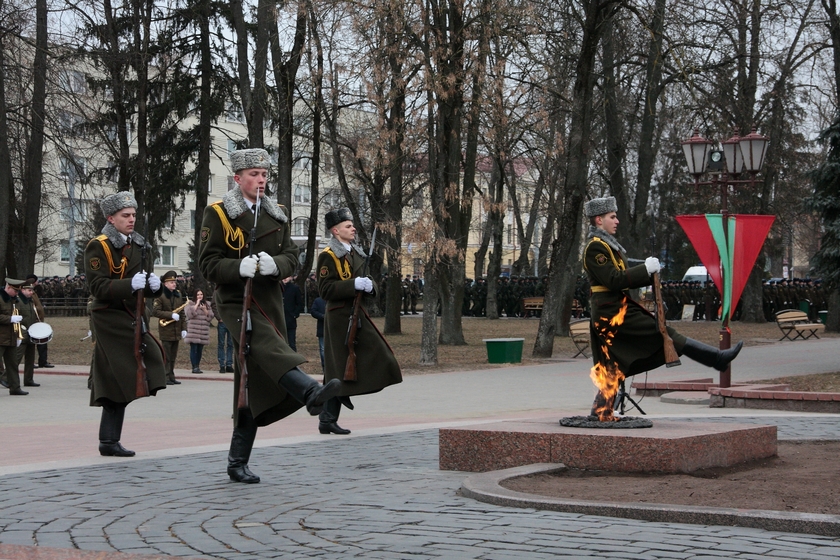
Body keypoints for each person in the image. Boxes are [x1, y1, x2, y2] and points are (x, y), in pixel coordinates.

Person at [198, 148, 341, 484]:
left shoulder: (277, 214)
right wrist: (238, 267)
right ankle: (308, 391)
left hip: (268, 301)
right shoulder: (218, 214)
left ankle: (237, 462)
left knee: (253, 380)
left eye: (264, 174)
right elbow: (207, 264)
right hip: (235, 300)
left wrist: (278, 265)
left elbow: (292, 255)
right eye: (253, 174)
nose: (260, 180)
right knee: (263, 346)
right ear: (238, 178)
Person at [583, 196, 742, 416]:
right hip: (611, 314)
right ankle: (717, 358)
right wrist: (645, 271)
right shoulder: (595, 248)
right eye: (612, 216)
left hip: (615, 310)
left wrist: (648, 272)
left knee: (612, 366)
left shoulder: (609, 247)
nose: (617, 220)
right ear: (599, 220)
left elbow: (621, 277)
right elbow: (613, 280)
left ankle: (600, 411)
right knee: (664, 334)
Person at [85, 191, 167, 456]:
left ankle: (108, 441)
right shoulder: (99, 245)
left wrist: (155, 287)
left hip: (133, 313)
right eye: (125, 215)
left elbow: (144, 280)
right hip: (109, 315)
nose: (131, 220)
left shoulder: (141, 245)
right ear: (111, 218)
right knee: (138, 364)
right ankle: (109, 441)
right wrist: (129, 285)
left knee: (112, 379)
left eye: (133, 215)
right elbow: (97, 286)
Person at [317, 207, 402, 435]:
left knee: (374, 355)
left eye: (352, 225)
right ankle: (328, 417)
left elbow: (370, 281)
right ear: (336, 231)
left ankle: (328, 416)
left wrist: (369, 286)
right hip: (338, 318)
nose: (353, 228)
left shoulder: (356, 253)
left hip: (357, 314)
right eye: (348, 226)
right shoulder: (328, 255)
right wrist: (352, 285)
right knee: (336, 370)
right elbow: (324, 289)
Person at [153, 270, 186, 385]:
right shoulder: (160, 296)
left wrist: (184, 328)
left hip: (176, 330)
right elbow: (156, 311)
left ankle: (171, 375)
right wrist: (170, 315)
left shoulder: (178, 295)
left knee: (173, 355)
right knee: (166, 355)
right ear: (165, 284)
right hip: (166, 329)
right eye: (171, 282)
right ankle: (165, 376)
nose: (174, 284)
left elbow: (182, 313)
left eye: (174, 281)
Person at [0, 278, 29, 395]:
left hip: (11, 337)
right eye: (15, 291)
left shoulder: (14, 301)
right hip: (1, 337)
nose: (17, 294)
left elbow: (18, 320)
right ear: (8, 288)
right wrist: (10, 319)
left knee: (12, 364)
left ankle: (15, 387)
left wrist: (18, 336)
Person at [17, 281, 45, 387]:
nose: (31, 292)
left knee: (30, 358)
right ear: (22, 290)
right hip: (22, 333)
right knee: (16, 358)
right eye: (29, 290)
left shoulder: (30, 302)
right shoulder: (18, 301)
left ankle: (28, 379)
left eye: (32, 290)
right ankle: (6, 377)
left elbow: (34, 316)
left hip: (32, 333)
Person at [26, 274, 53, 368]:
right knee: (32, 343)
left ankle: (43, 361)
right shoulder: (28, 293)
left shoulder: (34, 292)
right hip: (33, 321)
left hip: (39, 321)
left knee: (43, 342)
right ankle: (31, 362)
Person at [184, 288, 213, 373]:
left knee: (200, 349)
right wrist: (196, 305)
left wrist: (204, 310)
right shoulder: (190, 303)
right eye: (198, 295)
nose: (200, 296)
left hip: (203, 331)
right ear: (195, 296)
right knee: (194, 348)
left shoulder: (207, 304)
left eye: (201, 294)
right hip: (193, 331)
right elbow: (189, 315)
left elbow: (210, 317)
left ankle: (198, 365)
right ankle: (194, 366)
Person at [211, 297, 234, 373]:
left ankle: (229, 364)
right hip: (222, 322)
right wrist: (219, 317)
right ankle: (222, 365)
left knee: (230, 344)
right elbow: (213, 305)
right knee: (221, 343)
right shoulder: (218, 290)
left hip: (231, 321)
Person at [281, 276, 303, 351]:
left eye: (287, 276)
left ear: (291, 277)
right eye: (284, 276)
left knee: (291, 343)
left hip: (290, 320)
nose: (285, 278)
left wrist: (294, 315)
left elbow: (299, 303)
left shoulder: (295, 288)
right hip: (279, 319)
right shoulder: (277, 288)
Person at [310, 295, 326, 371]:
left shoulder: (335, 300)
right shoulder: (318, 301)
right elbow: (313, 311)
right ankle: (324, 367)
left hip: (333, 329)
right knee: (323, 349)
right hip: (322, 328)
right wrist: (322, 316)